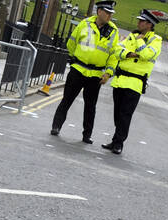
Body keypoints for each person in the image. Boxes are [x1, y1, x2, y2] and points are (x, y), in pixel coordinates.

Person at [50, 1, 121, 144]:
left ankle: (87, 135)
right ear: (99, 11)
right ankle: (56, 126)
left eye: (111, 13)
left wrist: (108, 73)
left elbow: (114, 55)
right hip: (78, 70)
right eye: (107, 12)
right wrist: (75, 59)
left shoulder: (114, 31)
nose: (109, 15)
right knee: (67, 100)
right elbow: (71, 42)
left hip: (95, 75)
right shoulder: (85, 24)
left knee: (90, 107)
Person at [101, 9, 161, 155]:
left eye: (141, 21)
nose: (138, 22)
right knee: (117, 114)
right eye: (139, 20)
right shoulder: (131, 36)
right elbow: (117, 50)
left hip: (135, 83)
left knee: (125, 114)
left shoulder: (156, 40)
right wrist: (130, 54)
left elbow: (147, 55)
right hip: (120, 81)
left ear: (149, 24)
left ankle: (119, 143)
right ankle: (116, 140)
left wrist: (140, 41)